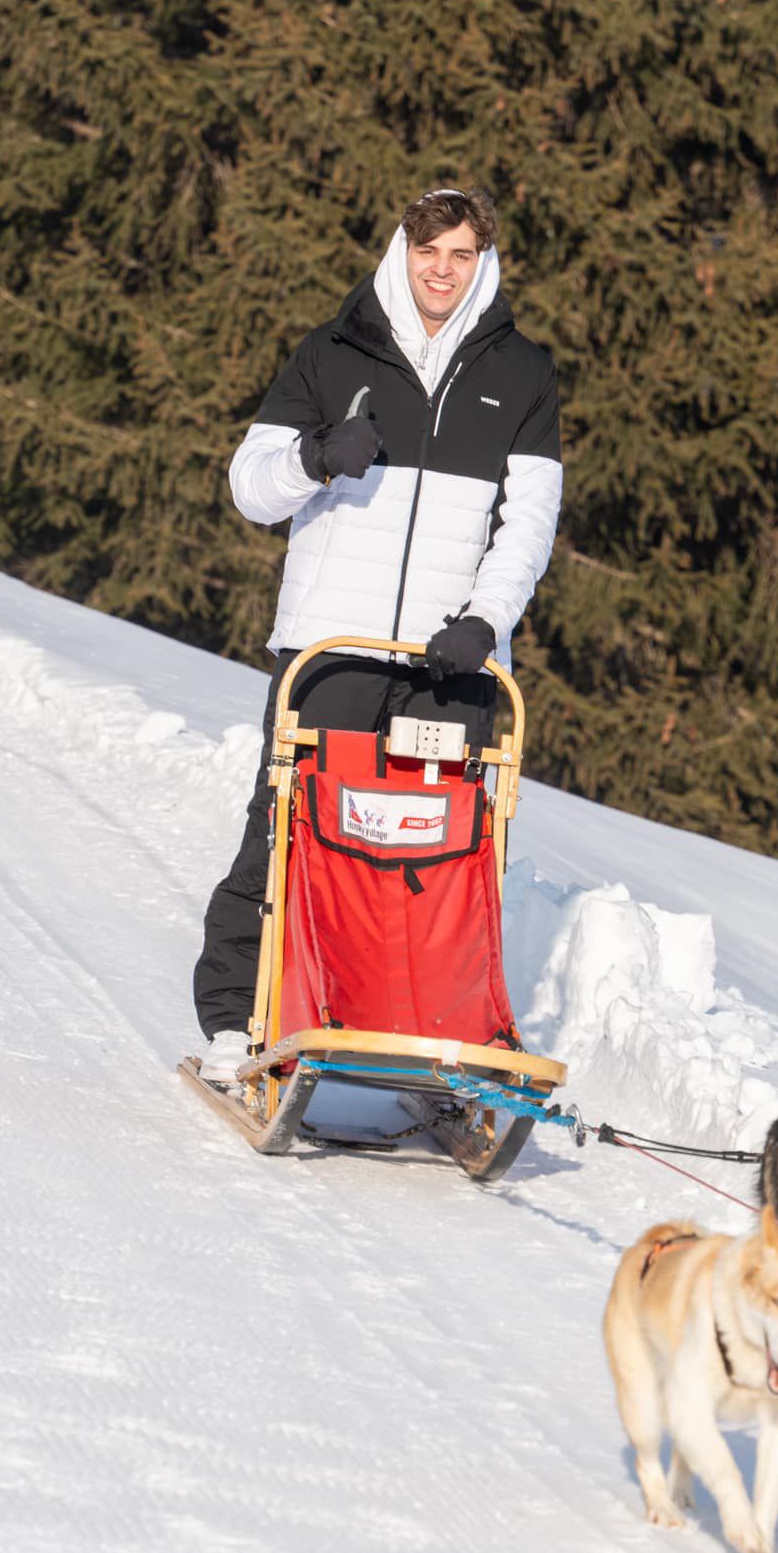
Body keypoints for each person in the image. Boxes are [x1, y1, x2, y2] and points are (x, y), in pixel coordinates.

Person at [192, 186, 562, 1081]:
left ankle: (433, 1028)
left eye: (462, 253)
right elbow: (250, 488)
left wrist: (483, 620)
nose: (444, 269)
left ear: (484, 261)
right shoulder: (332, 351)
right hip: (332, 648)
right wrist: (316, 456)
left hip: (452, 662)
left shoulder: (522, 371)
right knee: (287, 829)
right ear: (402, 252)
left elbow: (530, 519)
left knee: (439, 849)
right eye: (430, 250)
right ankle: (237, 1023)